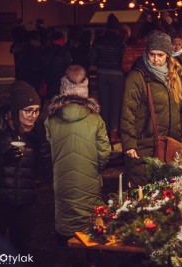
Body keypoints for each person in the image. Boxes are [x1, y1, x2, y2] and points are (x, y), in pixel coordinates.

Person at [120, 31, 182, 188]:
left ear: (168, 55)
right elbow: (127, 112)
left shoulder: (173, 75)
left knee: (167, 190)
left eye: (160, 55)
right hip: (145, 144)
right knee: (143, 191)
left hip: (170, 142)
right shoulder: (137, 77)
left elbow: (180, 105)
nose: (155, 59)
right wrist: (129, 143)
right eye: (152, 54)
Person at [44, 65, 111, 243]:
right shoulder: (95, 118)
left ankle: (64, 243)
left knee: (65, 210)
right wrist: (95, 169)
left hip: (62, 176)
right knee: (90, 218)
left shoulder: (51, 119)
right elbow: (105, 152)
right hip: (89, 176)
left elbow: (48, 148)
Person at [0, 81, 51, 253]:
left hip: (25, 202)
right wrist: (3, 159)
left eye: (37, 111)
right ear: (14, 109)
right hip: (0, 201)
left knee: (21, 248)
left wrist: (42, 144)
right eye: (28, 110)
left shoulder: (35, 131)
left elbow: (45, 171)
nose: (33, 116)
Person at [91, 13, 125, 145]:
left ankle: (104, 132)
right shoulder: (120, 42)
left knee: (104, 103)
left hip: (102, 73)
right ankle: (114, 134)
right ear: (117, 28)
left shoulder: (98, 40)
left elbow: (92, 57)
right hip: (117, 75)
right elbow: (123, 59)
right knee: (116, 104)